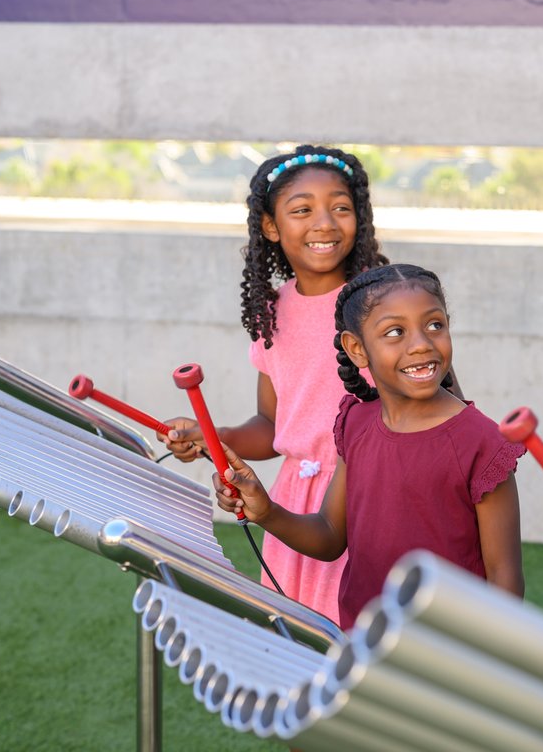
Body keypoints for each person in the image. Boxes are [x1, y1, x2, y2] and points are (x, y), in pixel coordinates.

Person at [213, 263, 526, 629]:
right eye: (395, 332)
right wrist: (266, 511)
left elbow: (505, 579)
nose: (422, 344)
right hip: (363, 646)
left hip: (448, 657)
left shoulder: (482, 442)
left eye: (435, 325)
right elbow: (329, 535)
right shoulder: (355, 424)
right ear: (356, 349)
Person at [159, 144, 388, 624]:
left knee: (364, 644)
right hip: (294, 503)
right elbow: (271, 425)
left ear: (359, 218)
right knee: (304, 647)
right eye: (302, 210)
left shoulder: (385, 300)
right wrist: (212, 439)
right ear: (270, 226)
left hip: (370, 495)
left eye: (340, 208)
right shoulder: (272, 312)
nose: (324, 222)